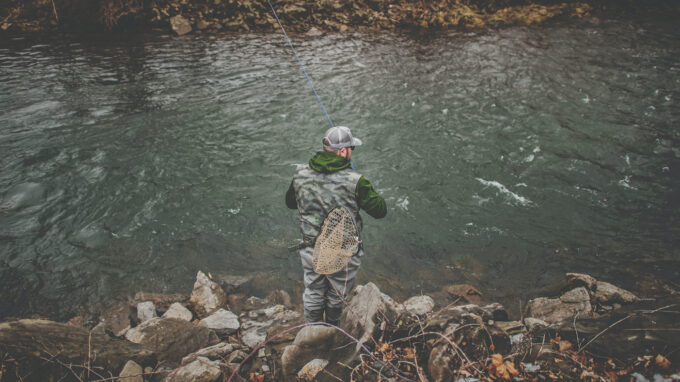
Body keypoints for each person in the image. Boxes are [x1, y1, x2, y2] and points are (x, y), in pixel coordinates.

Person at [286, 126, 387, 325]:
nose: (352, 152)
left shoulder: (300, 174)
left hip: (310, 248)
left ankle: (313, 330)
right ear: (342, 151)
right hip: (343, 252)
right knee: (336, 295)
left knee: (314, 291)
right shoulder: (357, 182)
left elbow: (290, 203)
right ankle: (332, 329)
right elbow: (380, 211)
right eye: (351, 149)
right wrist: (361, 186)